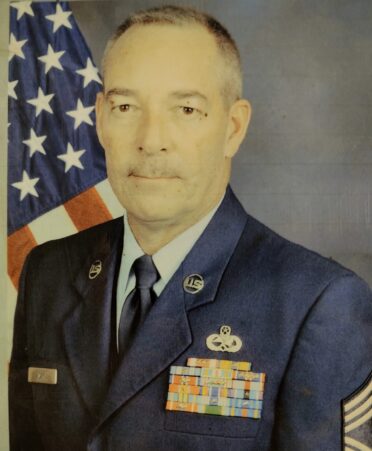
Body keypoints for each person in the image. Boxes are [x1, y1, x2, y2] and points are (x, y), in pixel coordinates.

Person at [9, 5, 372, 451]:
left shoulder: (316, 304)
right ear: (100, 119)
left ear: (233, 128)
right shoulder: (47, 273)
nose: (151, 138)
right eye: (126, 106)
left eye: (185, 109)